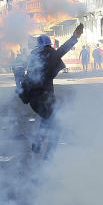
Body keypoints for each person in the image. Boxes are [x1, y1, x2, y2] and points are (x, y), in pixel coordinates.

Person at [21, 24, 83, 155]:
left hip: (34, 100)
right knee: (55, 125)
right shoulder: (49, 54)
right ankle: (49, 156)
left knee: (48, 120)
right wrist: (75, 37)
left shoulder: (33, 56)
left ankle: (38, 144)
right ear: (48, 45)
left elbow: (25, 77)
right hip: (44, 98)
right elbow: (61, 51)